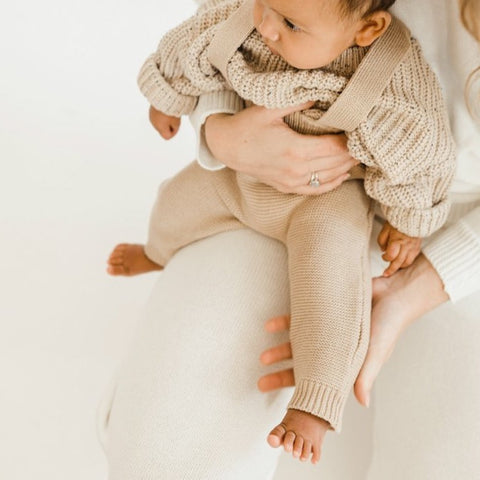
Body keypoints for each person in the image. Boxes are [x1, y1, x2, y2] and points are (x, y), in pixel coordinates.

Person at [98, 0, 479, 478]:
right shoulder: (259, 15)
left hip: (337, 199)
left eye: (290, 24)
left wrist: (409, 224)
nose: (267, 29)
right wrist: (194, 113)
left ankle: (316, 403)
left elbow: (418, 150)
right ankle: (157, 250)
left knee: (329, 283)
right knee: (180, 199)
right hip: (247, 168)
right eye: (265, 7)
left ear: (368, 29)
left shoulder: (393, 73)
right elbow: (196, 42)